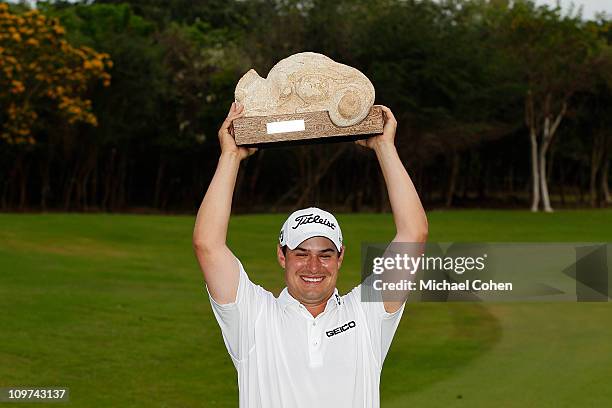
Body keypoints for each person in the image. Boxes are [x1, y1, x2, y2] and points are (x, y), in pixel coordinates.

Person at [193, 101, 428, 407]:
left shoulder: (366, 313)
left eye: (325, 254)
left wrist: (384, 146)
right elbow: (208, 245)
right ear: (282, 255)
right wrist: (230, 156)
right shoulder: (253, 316)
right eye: (301, 253)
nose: (314, 265)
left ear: (340, 257)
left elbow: (414, 235)